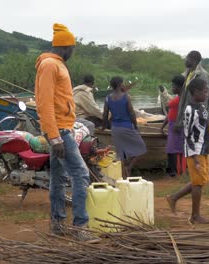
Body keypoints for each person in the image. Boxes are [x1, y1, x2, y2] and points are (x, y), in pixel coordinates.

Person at [34, 23, 98, 242]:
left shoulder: (56, 64)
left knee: (59, 178)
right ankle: (81, 227)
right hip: (59, 131)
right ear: (66, 46)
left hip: (62, 128)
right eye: (73, 47)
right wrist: (54, 137)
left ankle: (58, 224)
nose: (73, 51)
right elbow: (44, 104)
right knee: (81, 175)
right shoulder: (50, 65)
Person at [166, 78, 209, 224]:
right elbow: (187, 133)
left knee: (200, 180)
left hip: (203, 148)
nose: (207, 94)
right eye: (205, 91)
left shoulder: (202, 108)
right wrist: (194, 156)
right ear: (196, 92)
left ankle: (174, 197)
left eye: (207, 91)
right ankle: (195, 216)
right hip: (194, 150)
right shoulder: (189, 110)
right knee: (198, 182)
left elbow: (204, 130)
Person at [101, 76, 147, 179]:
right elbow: (131, 113)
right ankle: (129, 168)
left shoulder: (108, 98)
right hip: (127, 127)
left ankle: (124, 176)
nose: (123, 85)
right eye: (122, 83)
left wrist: (103, 127)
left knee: (120, 154)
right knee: (142, 148)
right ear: (119, 85)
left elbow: (105, 115)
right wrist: (135, 126)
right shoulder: (126, 97)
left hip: (115, 129)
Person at [160, 75, 185, 177]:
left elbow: (183, 114)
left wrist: (179, 124)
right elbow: (170, 113)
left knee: (174, 148)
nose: (172, 88)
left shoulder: (184, 99)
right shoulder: (178, 97)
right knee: (171, 148)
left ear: (179, 87)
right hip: (172, 124)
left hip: (177, 126)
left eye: (173, 86)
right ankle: (172, 170)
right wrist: (162, 127)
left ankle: (174, 171)